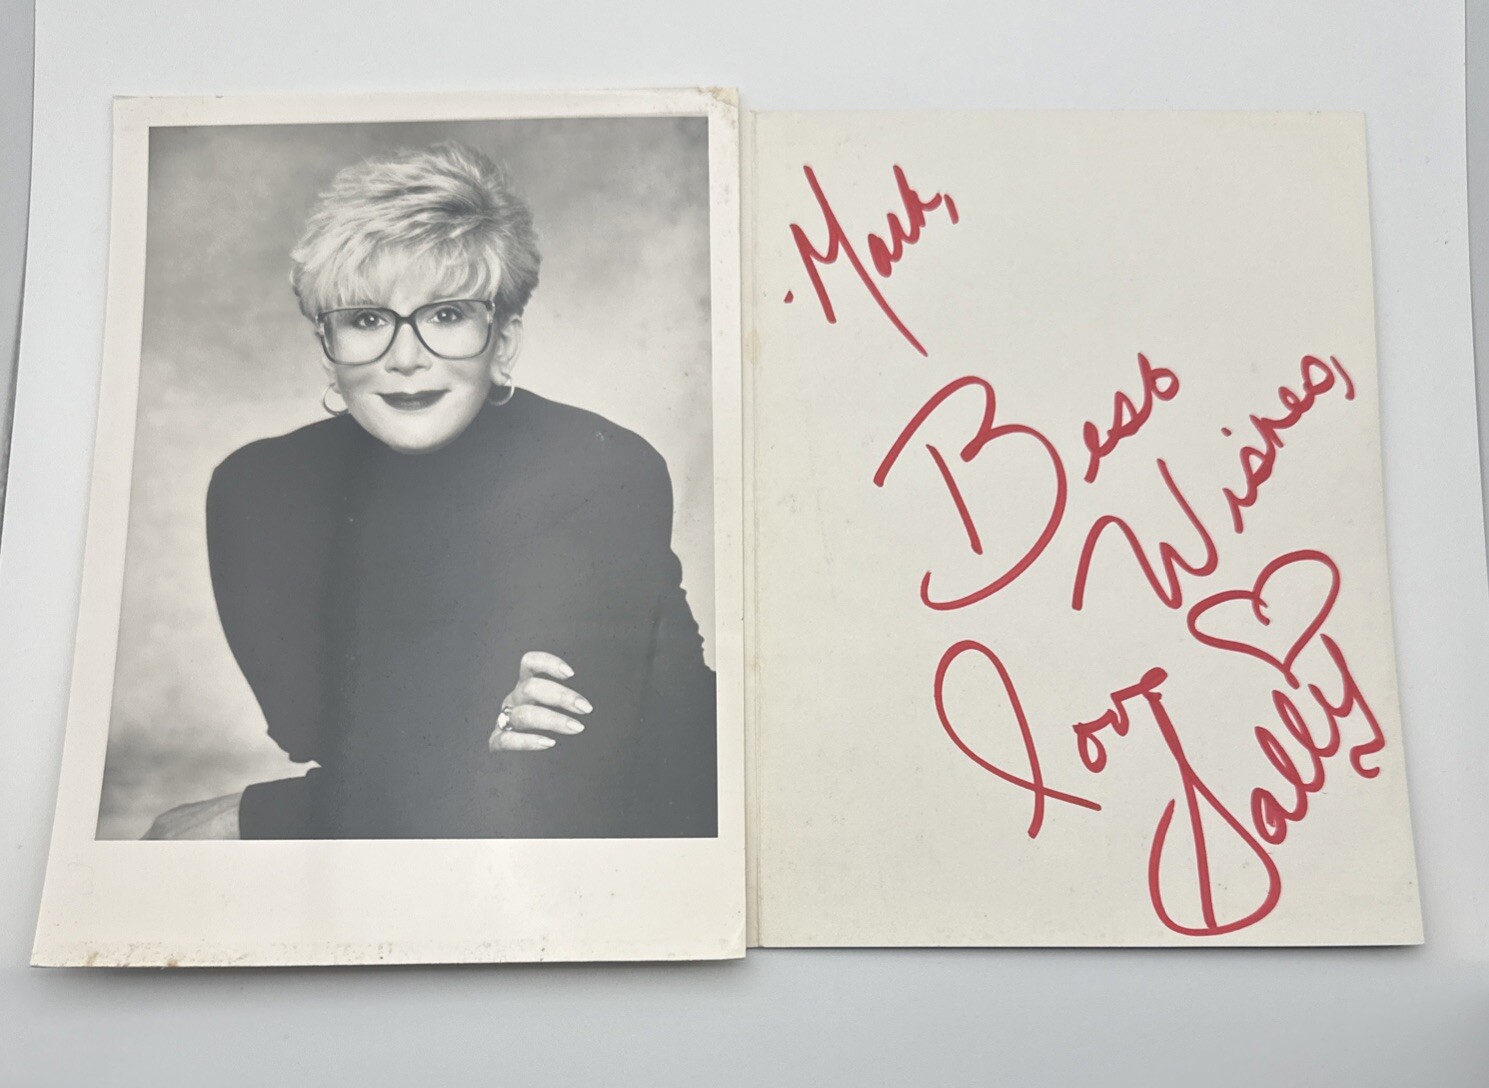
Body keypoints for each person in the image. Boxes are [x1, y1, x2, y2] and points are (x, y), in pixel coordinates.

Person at [144, 142, 717, 839]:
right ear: (327, 348)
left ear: (503, 341)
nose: (406, 357)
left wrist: (257, 817)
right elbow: (316, 734)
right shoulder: (259, 490)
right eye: (366, 320)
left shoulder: (601, 467)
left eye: (446, 315)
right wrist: (483, 717)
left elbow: (562, 773)